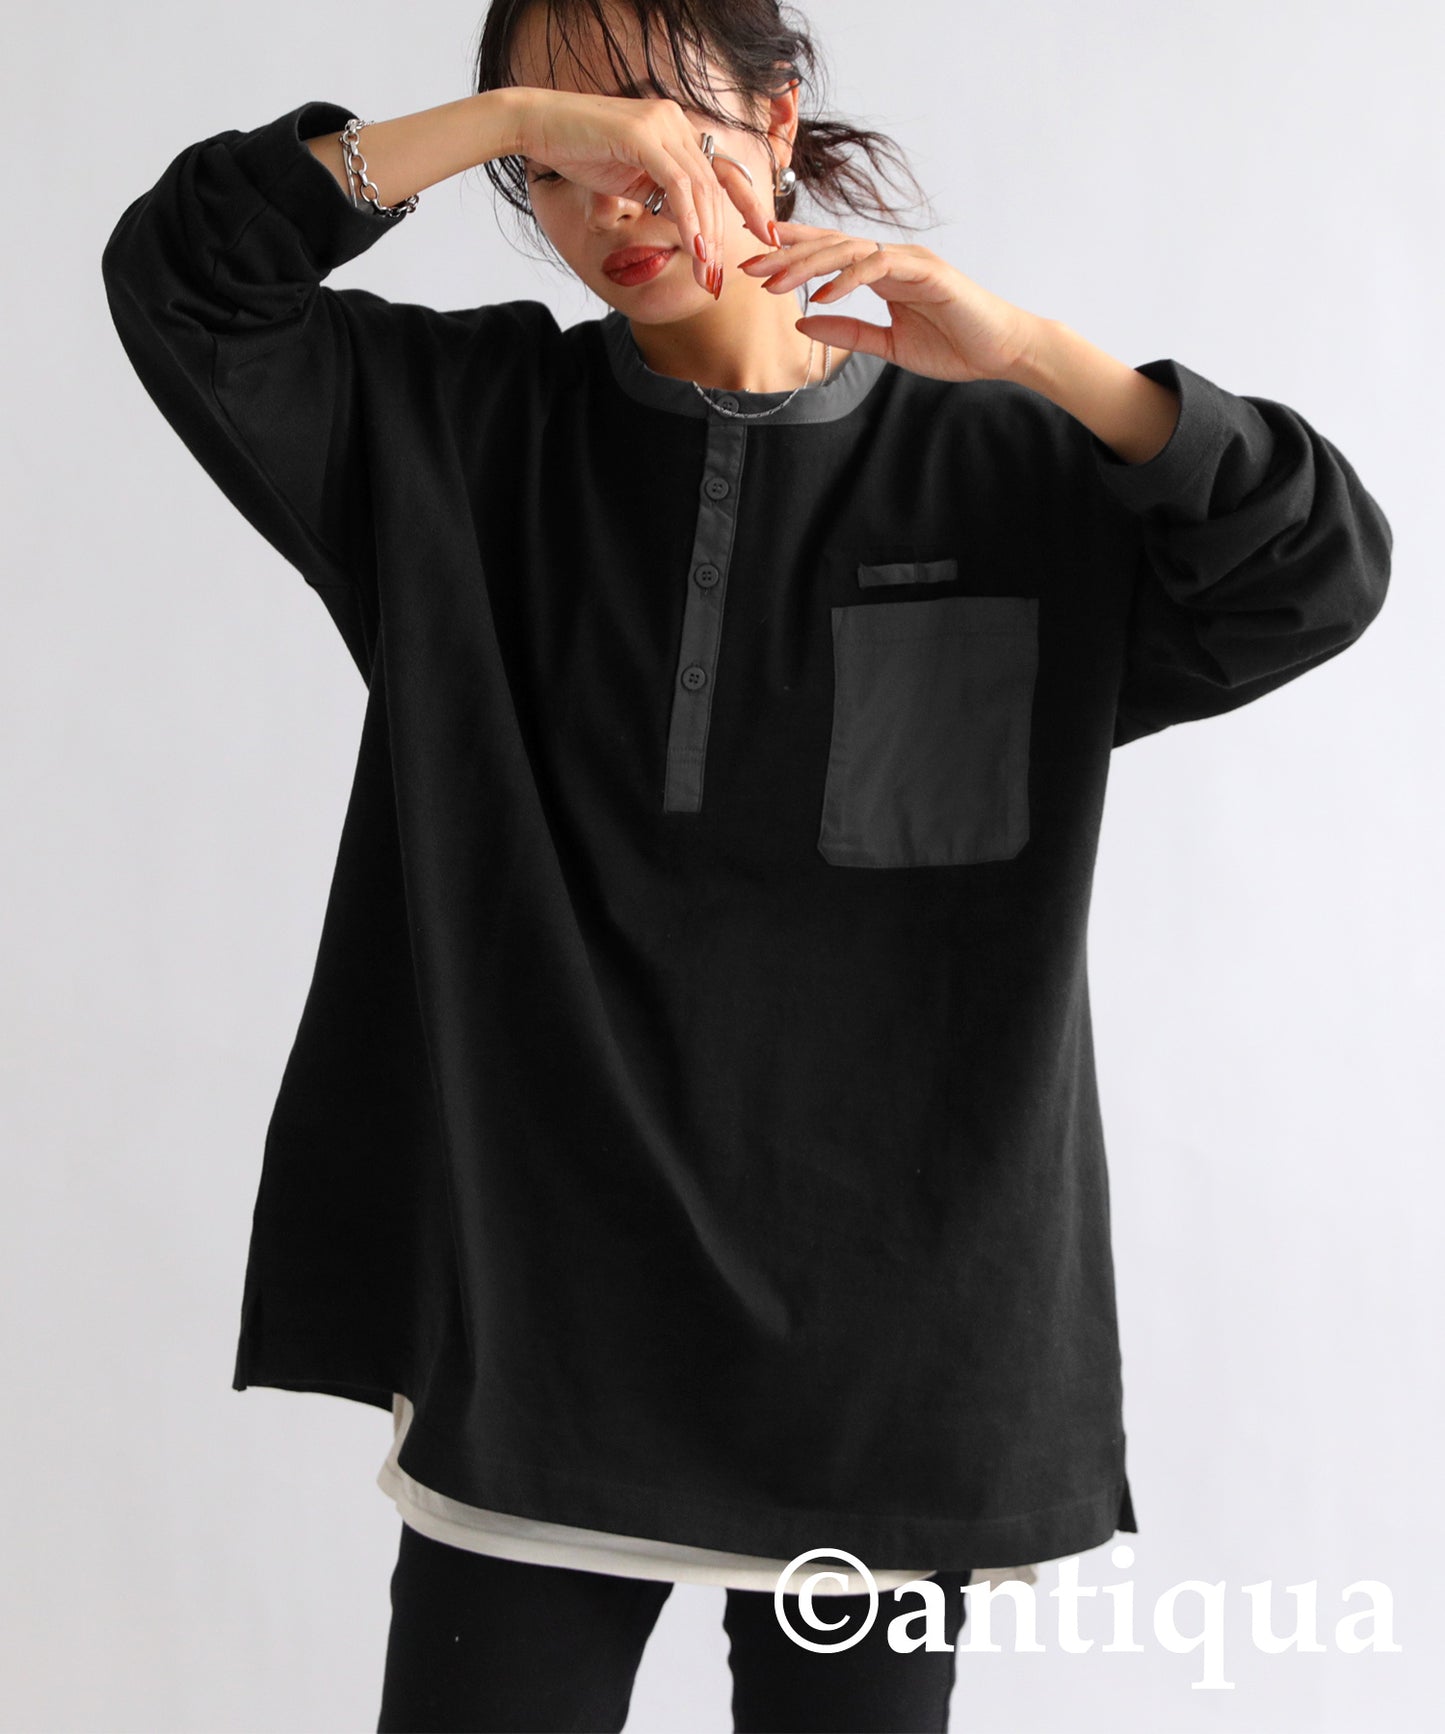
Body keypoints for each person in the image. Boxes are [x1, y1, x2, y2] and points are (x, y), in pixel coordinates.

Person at [100, 0, 1393, 1728]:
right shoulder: (452, 435)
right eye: (558, 159)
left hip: (894, 1350)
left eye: (657, 120)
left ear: (780, 119)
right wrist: (506, 122)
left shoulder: (1012, 473)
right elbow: (189, 280)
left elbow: (1313, 572)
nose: (612, 195)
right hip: (541, 1320)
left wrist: (1034, 356)